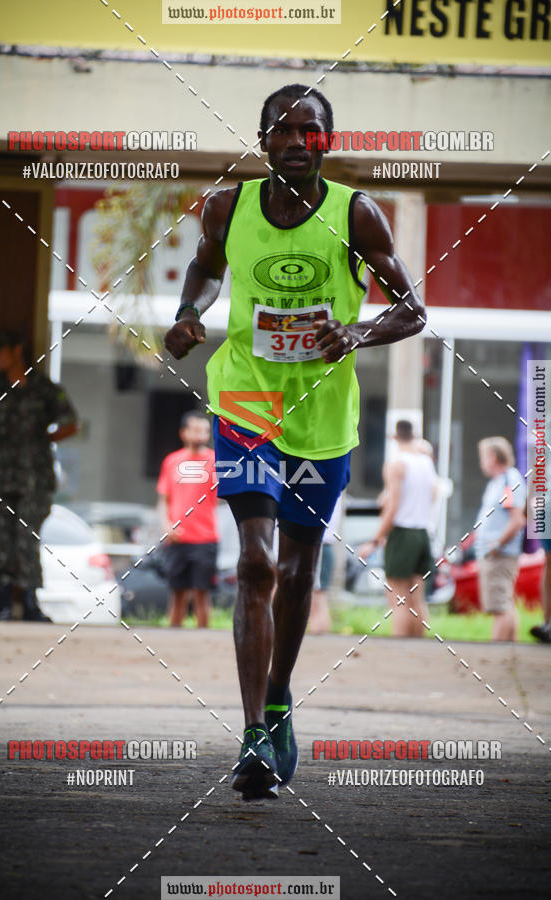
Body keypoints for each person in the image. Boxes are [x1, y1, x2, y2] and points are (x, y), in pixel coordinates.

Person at [164, 83, 426, 800]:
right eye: (280, 130)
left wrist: (358, 332)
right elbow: (208, 267)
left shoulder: (356, 213)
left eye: (308, 130)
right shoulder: (229, 205)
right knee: (254, 561)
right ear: (263, 141)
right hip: (246, 397)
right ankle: (252, 734)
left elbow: (411, 310)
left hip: (320, 413)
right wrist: (189, 312)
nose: (293, 141)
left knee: (298, 566)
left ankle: (278, 695)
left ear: (326, 143)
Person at [0, 329, 78, 622]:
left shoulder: (44, 388)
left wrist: (44, 440)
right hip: (1, 475)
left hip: (35, 477)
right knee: (4, 538)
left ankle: (31, 604)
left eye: (0, 350)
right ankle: (4, 604)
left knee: (28, 536)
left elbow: (72, 423)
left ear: (17, 350)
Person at [359, 420, 437, 637]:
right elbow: (433, 495)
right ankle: (418, 649)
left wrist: (375, 540)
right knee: (417, 598)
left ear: (393, 437)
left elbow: (392, 507)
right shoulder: (426, 462)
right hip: (423, 533)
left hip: (402, 533)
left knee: (398, 598)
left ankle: (400, 650)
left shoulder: (396, 464)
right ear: (415, 435)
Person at [156, 410, 218, 628]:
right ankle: (173, 641)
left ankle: (204, 641)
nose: (200, 434)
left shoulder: (216, 461)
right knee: (177, 594)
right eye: (195, 429)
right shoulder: (172, 461)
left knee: (202, 595)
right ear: (183, 433)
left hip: (206, 538)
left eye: (204, 430)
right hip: (177, 539)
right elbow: (163, 499)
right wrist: (166, 526)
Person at [475, 437, 526, 642]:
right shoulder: (501, 481)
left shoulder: (508, 480)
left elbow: (517, 520)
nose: (481, 462)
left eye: (483, 457)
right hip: (496, 552)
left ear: (493, 457)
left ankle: (496, 653)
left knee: (500, 608)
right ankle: (511, 653)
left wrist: (497, 545)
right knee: (506, 604)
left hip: (499, 554)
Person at [308, 493, 343, 635]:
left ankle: (319, 643)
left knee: (317, 600)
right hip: (322, 543)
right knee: (317, 599)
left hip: (319, 543)